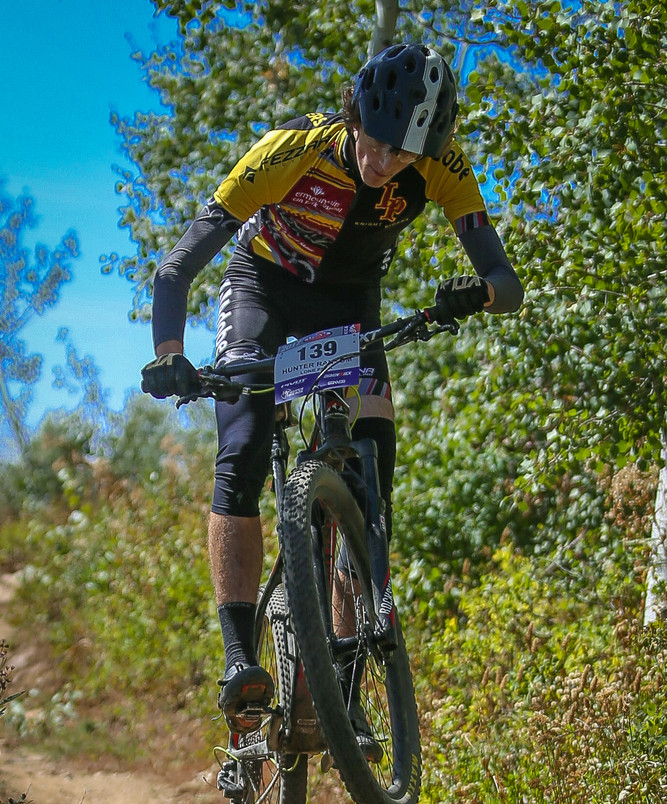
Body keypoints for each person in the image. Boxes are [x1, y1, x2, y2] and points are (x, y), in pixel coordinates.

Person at [142, 43, 524, 746]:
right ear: (354, 114)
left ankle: (345, 681)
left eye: (403, 156)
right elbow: (175, 270)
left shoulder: (443, 168)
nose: (385, 163)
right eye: (377, 142)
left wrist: (477, 292)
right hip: (263, 290)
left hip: (347, 307)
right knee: (243, 447)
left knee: (369, 467)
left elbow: (506, 281)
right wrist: (170, 357)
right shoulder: (290, 152)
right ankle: (239, 659)